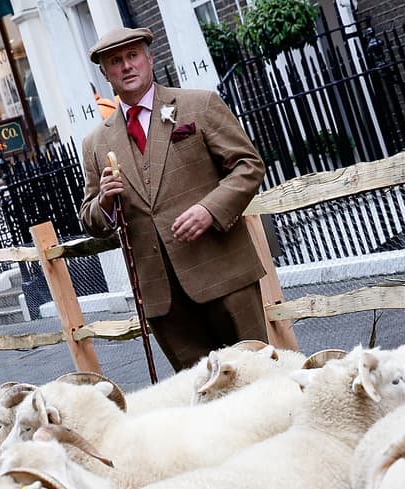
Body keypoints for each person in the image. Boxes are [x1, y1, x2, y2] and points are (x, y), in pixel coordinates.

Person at [79, 26, 269, 372]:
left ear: (150, 58)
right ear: (105, 74)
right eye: (115, 61)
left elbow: (249, 165)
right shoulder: (95, 143)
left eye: (133, 55)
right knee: (199, 394)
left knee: (256, 379)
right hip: (163, 301)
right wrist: (104, 202)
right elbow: (90, 218)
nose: (126, 66)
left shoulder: (199, 104)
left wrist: (209, 209)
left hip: (224, 275)